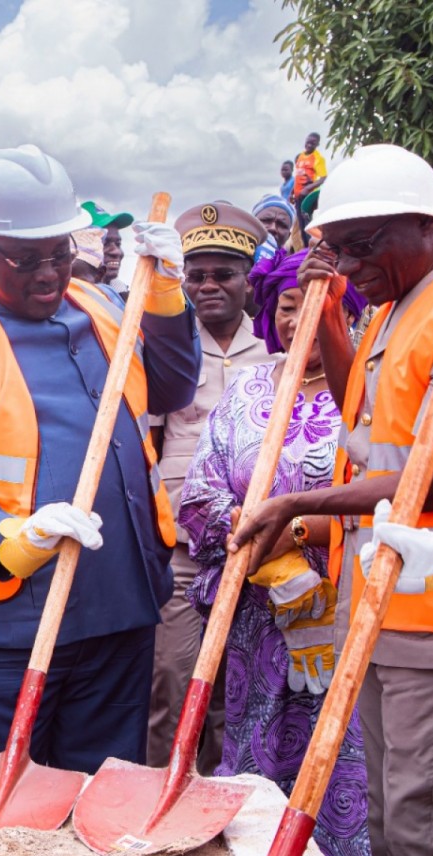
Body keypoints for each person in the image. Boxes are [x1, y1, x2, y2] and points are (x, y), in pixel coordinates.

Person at [229, 144, 433, 856]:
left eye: (363, 245)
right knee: (388, 823)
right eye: (337, 249)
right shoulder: (386, 309)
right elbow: (366, 431)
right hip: (378, 605)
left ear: (426, 227)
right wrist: (336, 326)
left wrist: (302, 505)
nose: (348, 266)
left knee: (423, 829)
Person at [0, 146, 199, 769]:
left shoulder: (104, 307)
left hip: (119, 608)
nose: (48, 274)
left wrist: (166, 295)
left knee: (98, 794)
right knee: (2, 806)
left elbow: (170, 390)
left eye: (58, 253)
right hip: (6, 628)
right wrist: (11, 537)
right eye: (26, 259)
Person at [179, 246, 379, 856]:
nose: (300, 322)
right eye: (290, 307)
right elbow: (198, 496)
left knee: (339, 770)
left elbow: (384, 500)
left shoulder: (364, 398)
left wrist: (297, 532)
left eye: (318, 309)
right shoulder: (245, 393)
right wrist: (255, 537)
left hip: (339, 616)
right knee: (256, 761)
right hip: (256, 625)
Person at [147, 204, 274, 770]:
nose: (207, 286)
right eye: (195, 275)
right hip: (181, 548)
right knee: (171, 681)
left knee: (237, 688)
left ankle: (226, 798)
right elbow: (148, 443)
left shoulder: (275, 348)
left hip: (257, 546)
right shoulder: (167, 345)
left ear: (247, 280)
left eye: (223, 274)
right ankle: (160, 789)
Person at [81, 200, 134, 291]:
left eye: (118, 244)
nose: (116, 251)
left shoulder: (120, 290)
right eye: (104, 243)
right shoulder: (64, 295)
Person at [293, 132, 328, 203]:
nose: (309, 145)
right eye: (308, 142)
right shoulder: (301, 156)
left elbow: (323, 178)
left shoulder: (318, 158)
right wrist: (292, 193)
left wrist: (307, 188)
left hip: (308, 195)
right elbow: (298, 176)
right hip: (297, 195)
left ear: (317, 144)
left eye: (313, 143)